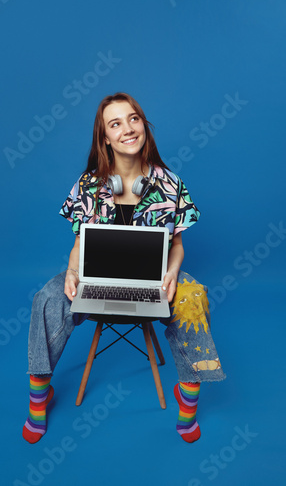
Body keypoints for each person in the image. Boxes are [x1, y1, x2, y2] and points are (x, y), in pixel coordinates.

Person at [22, 92, 226, 445]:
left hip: (155, 278)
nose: (127, 129)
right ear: (105, 137)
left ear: (143, 124)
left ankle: (188, 398)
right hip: (95, 276)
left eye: (133, 119)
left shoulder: (170, 184)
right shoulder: (88, 185)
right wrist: (72, 273)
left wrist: (174, 272)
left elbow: (176, 245)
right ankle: (39, 396)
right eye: (115, 124)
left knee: (193, 299)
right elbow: (79, 243)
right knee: (48, 298)